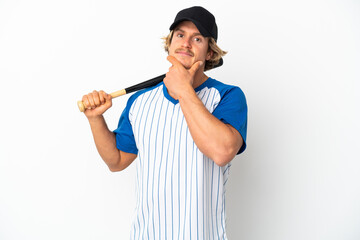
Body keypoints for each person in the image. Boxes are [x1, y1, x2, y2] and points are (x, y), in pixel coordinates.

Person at [81, 6, 247, 239]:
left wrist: (184, 90)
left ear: (210, 53)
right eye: (180, 35)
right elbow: (116, 160)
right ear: (170, 43)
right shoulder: (140, 101)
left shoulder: (228, 96)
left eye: (197, 38)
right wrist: (95, 119)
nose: (186, 43)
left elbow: (222, 152)